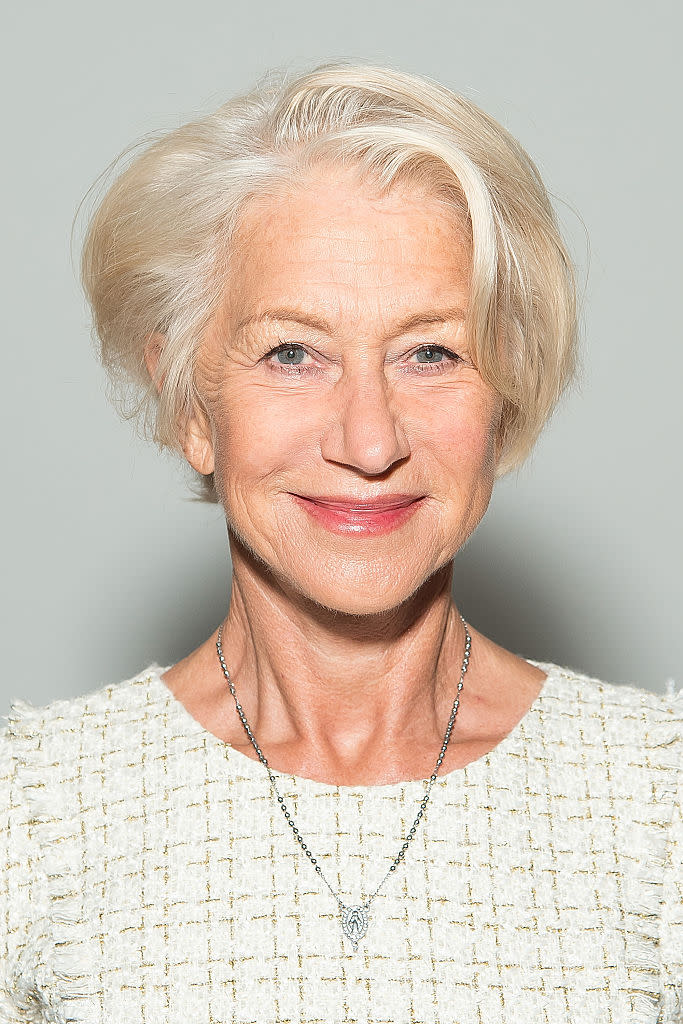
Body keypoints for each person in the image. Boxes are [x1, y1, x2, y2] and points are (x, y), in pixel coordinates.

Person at [1, 61, 680, 1024]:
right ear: (191, 404)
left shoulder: (661, 802)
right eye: (293, 352)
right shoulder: (29, 812)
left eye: (431, 352)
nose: (369, 441)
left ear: (503, 396)